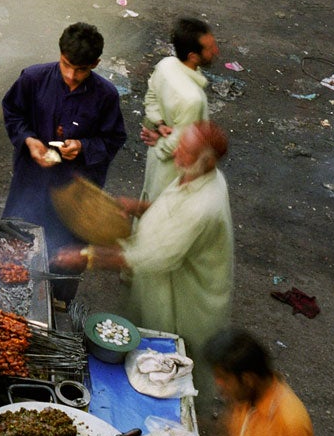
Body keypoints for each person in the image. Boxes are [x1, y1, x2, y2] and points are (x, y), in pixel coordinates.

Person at [59, 122, 234, 375]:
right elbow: (172, 207)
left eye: (184, 151)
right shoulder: (197, 172)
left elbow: (150, 257)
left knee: (169, 362)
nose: (175, 153)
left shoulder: (203, 206)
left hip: (185, 297)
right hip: (163, 275)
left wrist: (88, 257)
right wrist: (137, 207)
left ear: (207, 162)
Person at [2, 21, 128, 294]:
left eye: (81, 70)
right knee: (14, 247)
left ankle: (57, 303)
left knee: (63, 262)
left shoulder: (105, 96)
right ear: (59, 55)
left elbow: (113, 139)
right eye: (66, 65)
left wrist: (83, 147)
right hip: (30, 183)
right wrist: (29, 140)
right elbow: (13, 113)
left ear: (95, 63)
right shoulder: (33, 79)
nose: (71, 75)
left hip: (75, 196)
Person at [143, 15, 216, 199]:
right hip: (173, 172)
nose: (216, 51)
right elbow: (179, 141)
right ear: (193, 56)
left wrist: (158, 124)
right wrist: (160, 143)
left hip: (155, 160)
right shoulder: (192, 99)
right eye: (209, 48)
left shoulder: (165, 65)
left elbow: (151, 98)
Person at [206, 328, 314, 436]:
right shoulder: (244, 395)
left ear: (248, 380)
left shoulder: (290, 425)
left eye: (224, 379)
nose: (219, 385)